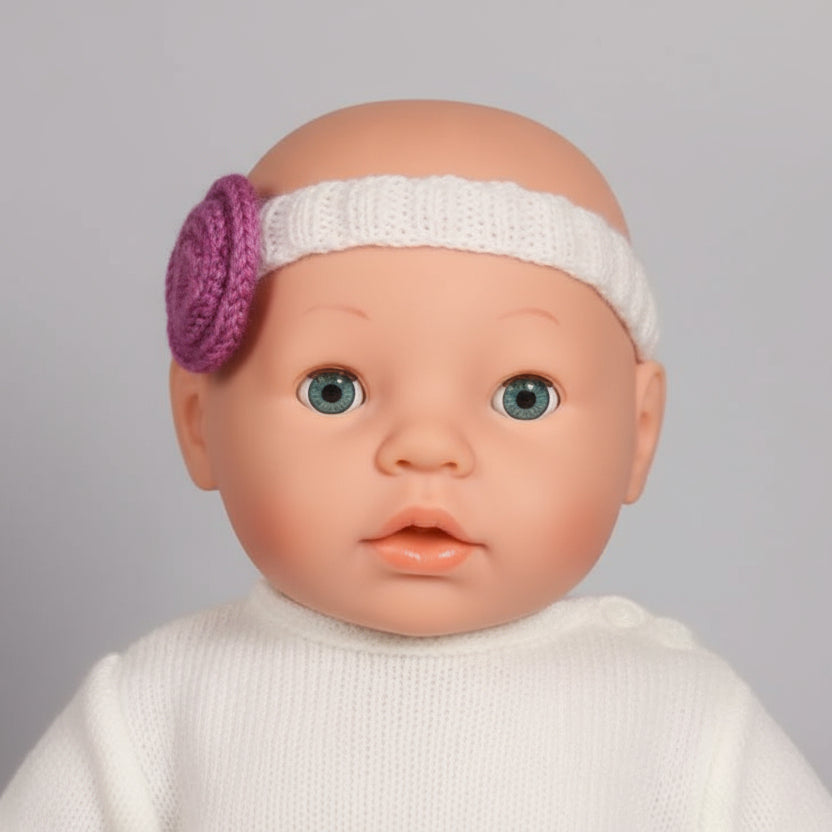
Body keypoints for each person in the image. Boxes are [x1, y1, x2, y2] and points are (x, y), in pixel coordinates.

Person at [2, 100, 830, 830]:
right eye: (334, 390)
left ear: (639, 434)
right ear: (198, 423)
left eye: (523, 395)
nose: (427, 449)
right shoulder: (157, 711)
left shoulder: (681, 719)